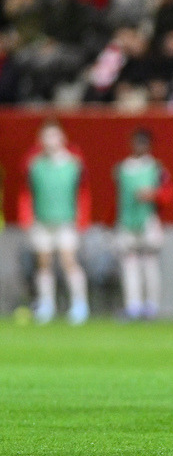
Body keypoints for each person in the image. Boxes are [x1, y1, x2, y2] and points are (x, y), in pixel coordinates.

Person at [18, 119, 91, 325]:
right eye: (46, 136)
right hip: (42, 220)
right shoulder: (35, 165)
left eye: (54, 135)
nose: (50, 140)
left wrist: (82, 219)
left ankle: (79, 304)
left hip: (66, 221)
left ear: (62, 138)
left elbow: (83, 193)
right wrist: (27, 217)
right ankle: (46, 305)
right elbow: (27, 193)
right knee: (43, 263)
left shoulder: (73, 164)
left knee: (69, 260)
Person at [114, 128, 173, 320]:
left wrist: (153, 195)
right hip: (127, 221)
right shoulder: (123, 168)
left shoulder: (157, 168)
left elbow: (169, 193)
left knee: (150, 263)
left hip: (148, 220)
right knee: (130, 264)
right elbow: (118, 198)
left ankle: (151, 305)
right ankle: (133, 304)